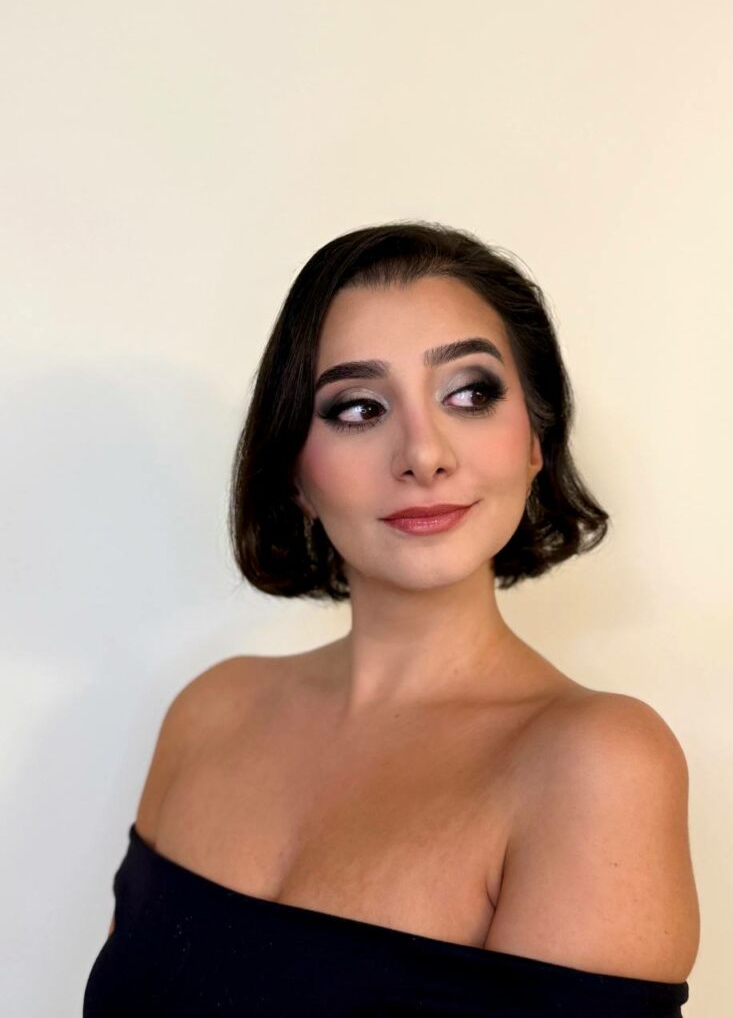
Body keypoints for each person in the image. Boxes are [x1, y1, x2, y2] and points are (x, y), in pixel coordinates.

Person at [83, 221, 700, 1016]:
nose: (424, 454)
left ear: (535, 441)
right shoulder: (208, 713)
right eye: (358, 407)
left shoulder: (597, 764)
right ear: (296, 472)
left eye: (470, 394)